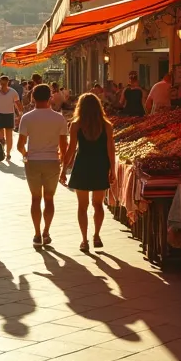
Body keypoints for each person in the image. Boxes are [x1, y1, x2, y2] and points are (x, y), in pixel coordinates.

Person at [61, 93, 116, 252]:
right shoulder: (107, 125)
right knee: (98, 204)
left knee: (82, 206)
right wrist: (112, 169)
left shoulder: (76, 124)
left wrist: (63, 170)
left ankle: (84, 240)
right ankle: (97, 235)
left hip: (82, 165)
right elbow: (110, 149)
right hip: (100, 165)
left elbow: (71, 150)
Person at [17, 84, 69, 246]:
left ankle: (37, 234)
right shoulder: (59, 118)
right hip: (52, 160)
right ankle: (46, 231)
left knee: (35, 199)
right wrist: (62, 162)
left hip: (33, 161)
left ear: (33, 97)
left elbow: (20, 145)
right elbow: (64, 146)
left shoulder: (27, 118)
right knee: (49, 199)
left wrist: (26, 155)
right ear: (50, 98)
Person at [0, 75, 22, 161]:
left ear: (8, 83)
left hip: (9, 114)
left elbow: (17, 103)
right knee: (0, 135)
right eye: (1, 83)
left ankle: (8, 153)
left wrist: (20, 113)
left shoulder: (12, 92)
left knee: (9, 135)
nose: (3, 84)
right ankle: (1, 149)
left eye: (5, 83)